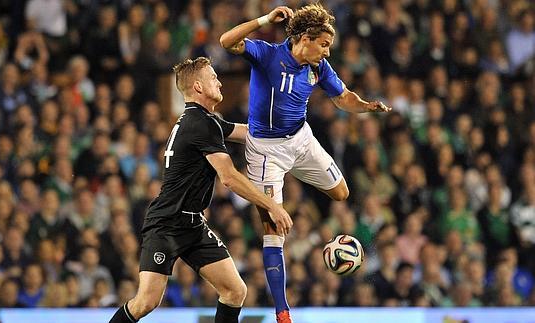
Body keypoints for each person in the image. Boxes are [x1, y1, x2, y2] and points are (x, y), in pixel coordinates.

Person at [220, 4, 391, 322]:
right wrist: (264, 20)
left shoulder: (319, 68)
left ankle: (235, 133)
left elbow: (343, 98)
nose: (327, 52)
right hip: (267, 153)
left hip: (302, 140)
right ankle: (282, 311)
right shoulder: (268, 55)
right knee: (274, 230)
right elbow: (226, 41)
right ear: (306, 38)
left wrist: (367, 106)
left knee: (342, 193)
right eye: (324, 44)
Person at [109, 57, 292, 323]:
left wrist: (288, 135)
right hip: (167, 223)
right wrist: (272, 205)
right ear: (197, 86)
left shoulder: (205, 120)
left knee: (234, 291)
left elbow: (245, 132)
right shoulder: (200, 124)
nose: (219, 82)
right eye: (213, 77)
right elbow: (228, 177)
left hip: (192, 223)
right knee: (146, 302)